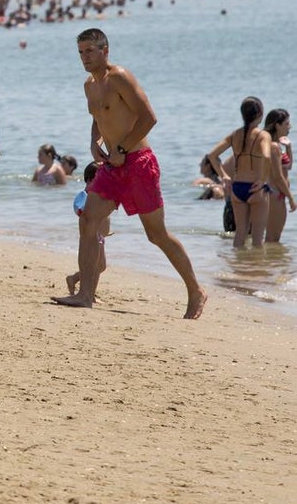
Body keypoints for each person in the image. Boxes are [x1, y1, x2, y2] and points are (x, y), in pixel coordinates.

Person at [57, 28, 206, 318]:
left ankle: (196, 290)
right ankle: (85, 295)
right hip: (113, 167)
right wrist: (93, 142)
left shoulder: (120, 77)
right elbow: (98, 118)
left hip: (138, 163)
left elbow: (149, 117)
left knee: (157, 234)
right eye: (80, 52)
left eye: (89, 51)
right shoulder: (89, 85)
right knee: (88, 218)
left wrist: (123, 147)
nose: (84, 57)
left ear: (105, 51)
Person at [207, 97, 273, 248]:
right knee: (257, 239)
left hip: (237, 188)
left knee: (240, 234)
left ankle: (237, 268)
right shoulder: (263, 135)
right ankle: (255, 270)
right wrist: (262, 180)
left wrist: (224, 176)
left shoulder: (235, 134)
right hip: (256, 188)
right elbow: (267, 156)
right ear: (261, 114)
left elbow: (212, 155)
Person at [66, 162, 107, 297]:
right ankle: (79, 284)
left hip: (100, 235)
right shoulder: (85, 195)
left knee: (100, 266)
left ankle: (87, 289)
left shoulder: (100, 196)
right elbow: (80, 210)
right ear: (89, 180)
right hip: (91, 235)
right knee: (94, 264)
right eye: (99, 180)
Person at [264, 109, 296, 242]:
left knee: (275, 238)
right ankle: (266, 262)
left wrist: (288, 148)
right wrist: (291, 197)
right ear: (277, 125)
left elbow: (288, 167)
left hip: (278, 194)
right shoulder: (273, 147)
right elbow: (277, 176)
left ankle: (273, 262)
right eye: (287, 124)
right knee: (272, 238)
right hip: (274, 194)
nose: (290, 127)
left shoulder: (277, 146)